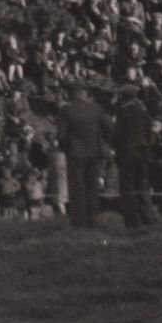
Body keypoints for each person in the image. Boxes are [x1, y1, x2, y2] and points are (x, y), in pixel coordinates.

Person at [56, 82, 112, 229]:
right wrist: (101, 142)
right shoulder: (96, 109)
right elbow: (109, 127)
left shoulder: (67, 110)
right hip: (94, 152)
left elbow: (61, 136)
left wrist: (67, 148)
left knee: (77, 188)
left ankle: (79, 222)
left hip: (75, 153)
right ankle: (93, 220)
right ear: (85, 94)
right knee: (92, 187)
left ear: (71, 94)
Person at [112, 84, 158, 229]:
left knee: (128, 188)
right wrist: (146, 146)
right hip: (142, 154)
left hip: (126, 155)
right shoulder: (144, 111)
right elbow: (151, 134)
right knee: (143, 186)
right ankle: (148, 218)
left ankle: (132, 221)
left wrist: (115, 146)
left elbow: (117, 134)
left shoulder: (122, 112)